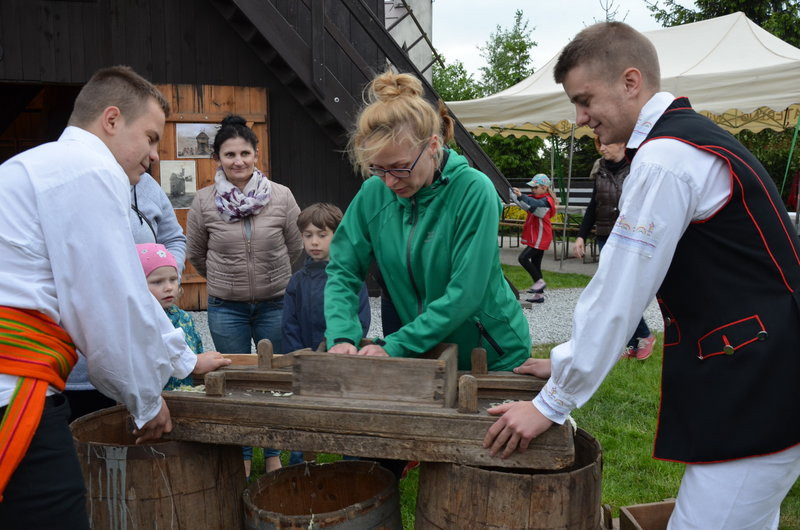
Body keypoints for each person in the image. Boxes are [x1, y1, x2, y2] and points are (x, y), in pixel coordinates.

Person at [484, 22, 800, 529]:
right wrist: (567, 362)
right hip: (767, 372)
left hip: (760, 384)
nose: (580, 116)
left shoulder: (664, 158)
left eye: (585, 99)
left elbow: (621, 289)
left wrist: (552, 402)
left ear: (631, 82)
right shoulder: (687, 141)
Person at [0, 66, 229, 529]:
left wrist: (183, 360)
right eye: (148, 138)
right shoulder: (88, 170)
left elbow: (123, 286)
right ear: (110, 119)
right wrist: (146, 399)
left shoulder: (34, 166)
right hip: (15, 390)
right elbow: (108, 302)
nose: (152, 156)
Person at [324, 70, 530, 372]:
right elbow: (343, 269)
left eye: (400, 168)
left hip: (492, 354)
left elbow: (466, 292)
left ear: (433, 145)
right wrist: (342, 334)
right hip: (425, 353)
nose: (391, 182)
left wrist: (396, 345)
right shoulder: (374, 193)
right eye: (378, 169)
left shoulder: (473, 190)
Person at [187, 114, 303, 476]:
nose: (238, 161)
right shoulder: (204, 201)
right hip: (227, 308)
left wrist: (274, 277)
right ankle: (241, 455)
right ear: (217, 159)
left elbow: (296, 246)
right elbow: (196, 253)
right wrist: (224, 280)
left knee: (273, 379)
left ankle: (272, 454)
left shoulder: (281, 196)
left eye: (244, 153)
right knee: (235, 380)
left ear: (256, 155)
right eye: (229, 154)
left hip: (276, 302)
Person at [65, 170, 189, 420]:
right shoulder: (72, 183)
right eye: (149, 138)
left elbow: (174, 238)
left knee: (130, 445)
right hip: (75, 366)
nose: (154, 156)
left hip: (136, 364)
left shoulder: (147, 185)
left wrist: (163, 276)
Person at [574, 140, 655, 360]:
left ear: (621, 144)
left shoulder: (636, 167)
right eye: (600, 145)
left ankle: (645, 335)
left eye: (606, 144)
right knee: (614, 291)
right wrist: (581, 235)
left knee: (621, 290)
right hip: (604, 236)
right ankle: (630, 344)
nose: (602, 148)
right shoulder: (599, 169)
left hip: (627, 237)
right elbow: (594, 205)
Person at [282, 203, 371, 353]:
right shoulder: (297, 281)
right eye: (308, 235)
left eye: (322, 235)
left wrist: (344, 346)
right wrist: (298, 354)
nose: (314, 242)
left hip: (339, 357)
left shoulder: (351, 278)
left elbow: (361, 320)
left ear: (337, 235)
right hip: (303, 359)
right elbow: (289, 324)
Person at [136, 243, 203, 390]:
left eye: (173, 279)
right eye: (157, 282)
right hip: (156, 398)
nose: (169, 287)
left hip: (187, 392)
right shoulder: (138, 322)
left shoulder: (184, 318)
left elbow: (197, 350)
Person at [510, 173, 557, 304]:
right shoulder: (537, 198)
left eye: (535, 187)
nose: (533, 190)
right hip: (537, 235)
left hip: (541, 236)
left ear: (544, 188)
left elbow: (534, 203)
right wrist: (515, 196)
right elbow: (526, 204)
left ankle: (540, 283)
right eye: (532, 188)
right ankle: (539, 296)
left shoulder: (546, 201)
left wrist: (521, 196)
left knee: (523, 258)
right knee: (536, 264)